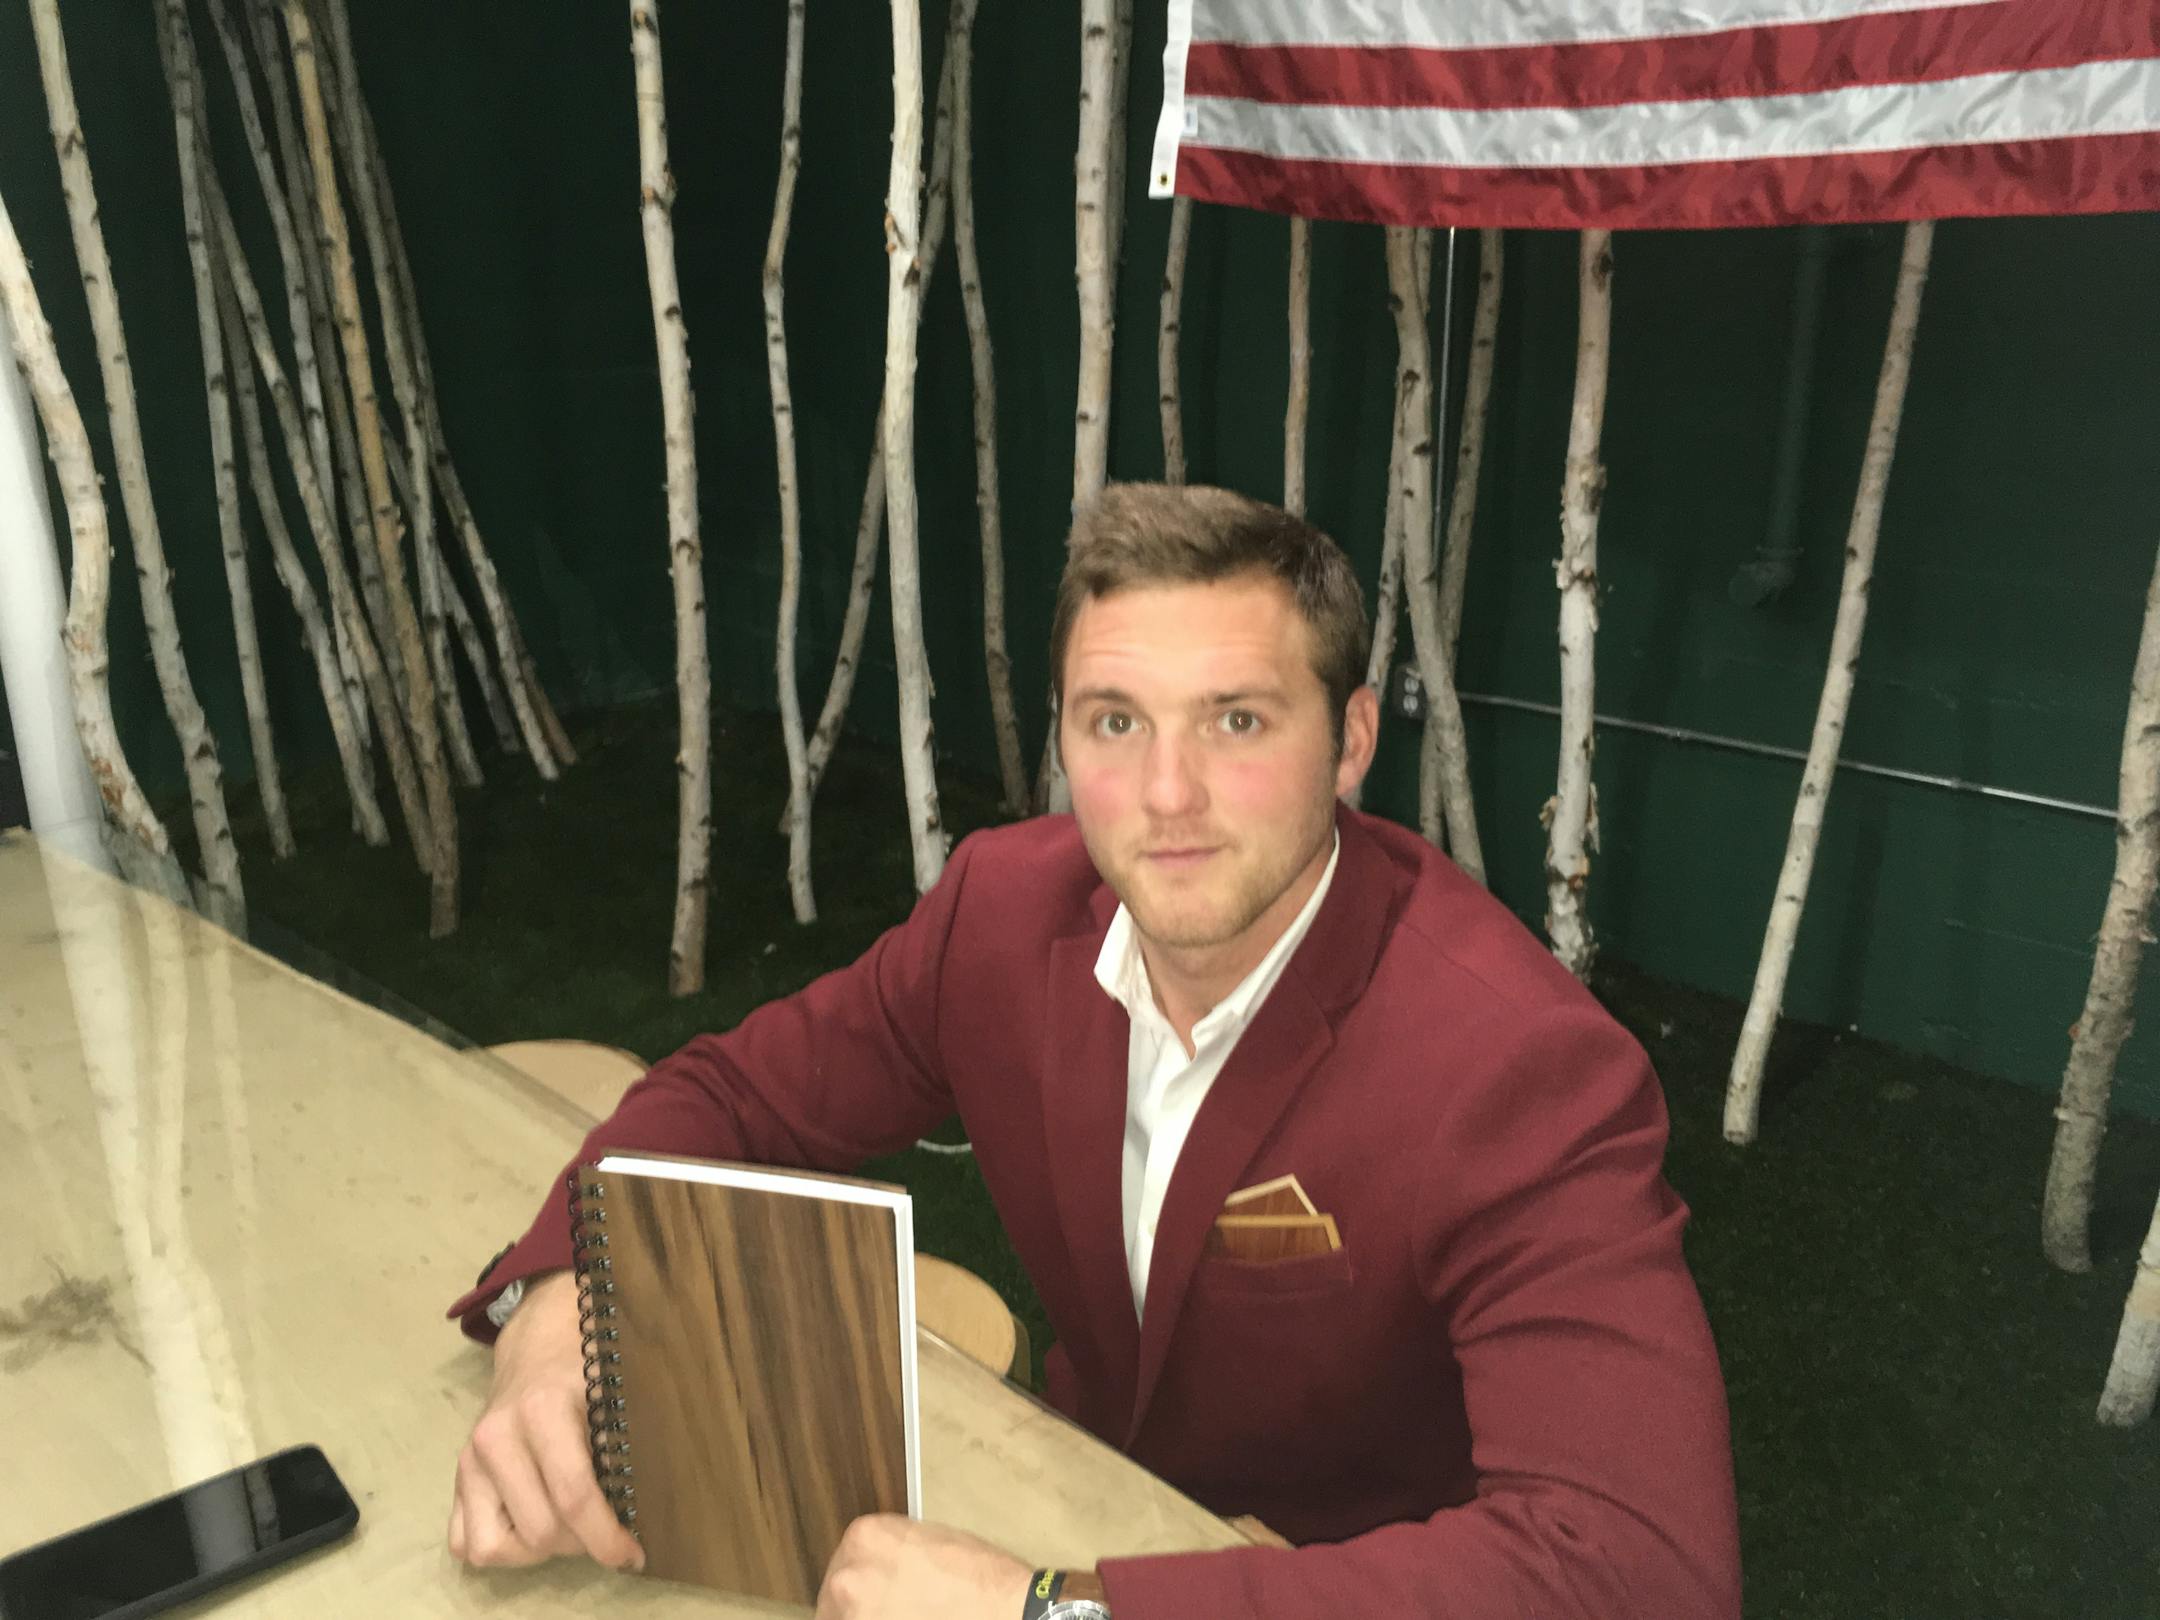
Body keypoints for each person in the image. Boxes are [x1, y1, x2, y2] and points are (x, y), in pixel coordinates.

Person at [444, 484, 1742, 1619]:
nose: (1167, 794)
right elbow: (730, 1096)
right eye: (1116, 722)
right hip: (1066, 1503)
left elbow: (1637, 1573)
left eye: (1236, 721)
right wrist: (560, 1313)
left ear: (1348, 744)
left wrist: (1054, 1616)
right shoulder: (999, 917)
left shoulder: (1520, 1068)